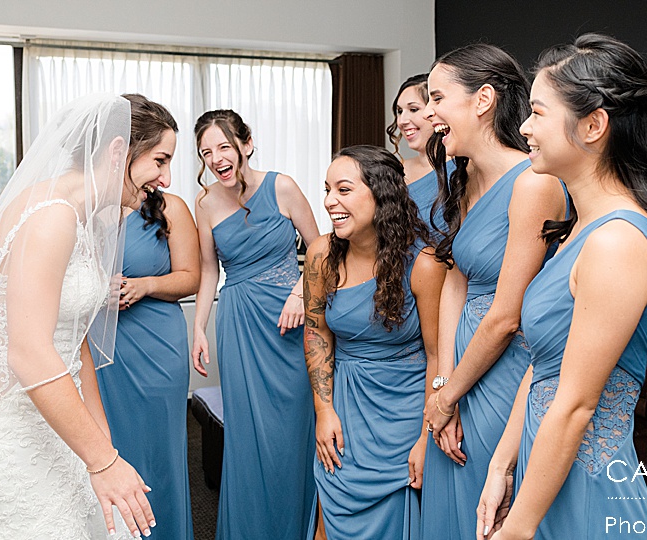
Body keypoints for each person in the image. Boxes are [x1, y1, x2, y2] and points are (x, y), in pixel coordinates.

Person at [476, 34, 647, 540]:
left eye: (537, 113)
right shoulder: (580, 229)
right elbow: (544, 364)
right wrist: (501, 465)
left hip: (588, 497)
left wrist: (518, 528)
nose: (524, 127)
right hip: (545, 475)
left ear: (593, 125)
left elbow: (576, 407)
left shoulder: (617, 242)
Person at [0, 94, 162, 538]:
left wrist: (101, 443)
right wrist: (103, 461)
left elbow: (76, 342)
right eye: (160, 160)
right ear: (118, 151)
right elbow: (28, 352)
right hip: (12, 431)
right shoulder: (50, 217)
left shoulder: (84, 219)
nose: (166, 178)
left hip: (59, 416)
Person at [419, 44, 568, 540]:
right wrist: (444, 386)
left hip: (504, 372)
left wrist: (450, 396)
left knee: (486, 513)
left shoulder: (533, 183)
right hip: (460, 375)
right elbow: (455, 282)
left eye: (437, 98)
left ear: (482, 99)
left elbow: (507, 316)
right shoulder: (465, 180)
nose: (430, 113)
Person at [191, 109, 320, 539]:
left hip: (290, 322)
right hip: (239, 324)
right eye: (206, 153)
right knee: (247, 436)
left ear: (246, 143)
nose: (216, 159)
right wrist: (198, 327)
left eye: (224, 147)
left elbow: (321, 250)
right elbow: (208, 270)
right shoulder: (205, 203)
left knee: (295, 427)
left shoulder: (282, 186)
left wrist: (300, 292)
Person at [304, 145, 444, 540]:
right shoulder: (321, 255)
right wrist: (324, 410)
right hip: (345, 412)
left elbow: (438, 356)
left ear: (381, 194)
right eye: (327, 190)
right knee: (330, 518)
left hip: (404, 417)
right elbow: (317, 332)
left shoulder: (424, 264)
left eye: (343, 190)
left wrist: (425, 438)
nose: (330, 201)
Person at [94, 94, 199, 539]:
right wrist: (94, 291)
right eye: (160, 159)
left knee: (159, 452)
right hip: (102, 349)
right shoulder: (86, 210)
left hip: (157, 346)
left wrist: (145, 286)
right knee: (107, 447)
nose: (166, 176)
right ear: (127, 149)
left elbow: (191, 277)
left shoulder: (171, 208)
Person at [386, 74, 456, 238]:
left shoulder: (461, 167)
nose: (402, 121)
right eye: (399, 111)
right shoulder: (396, 170)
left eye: (413, 110)